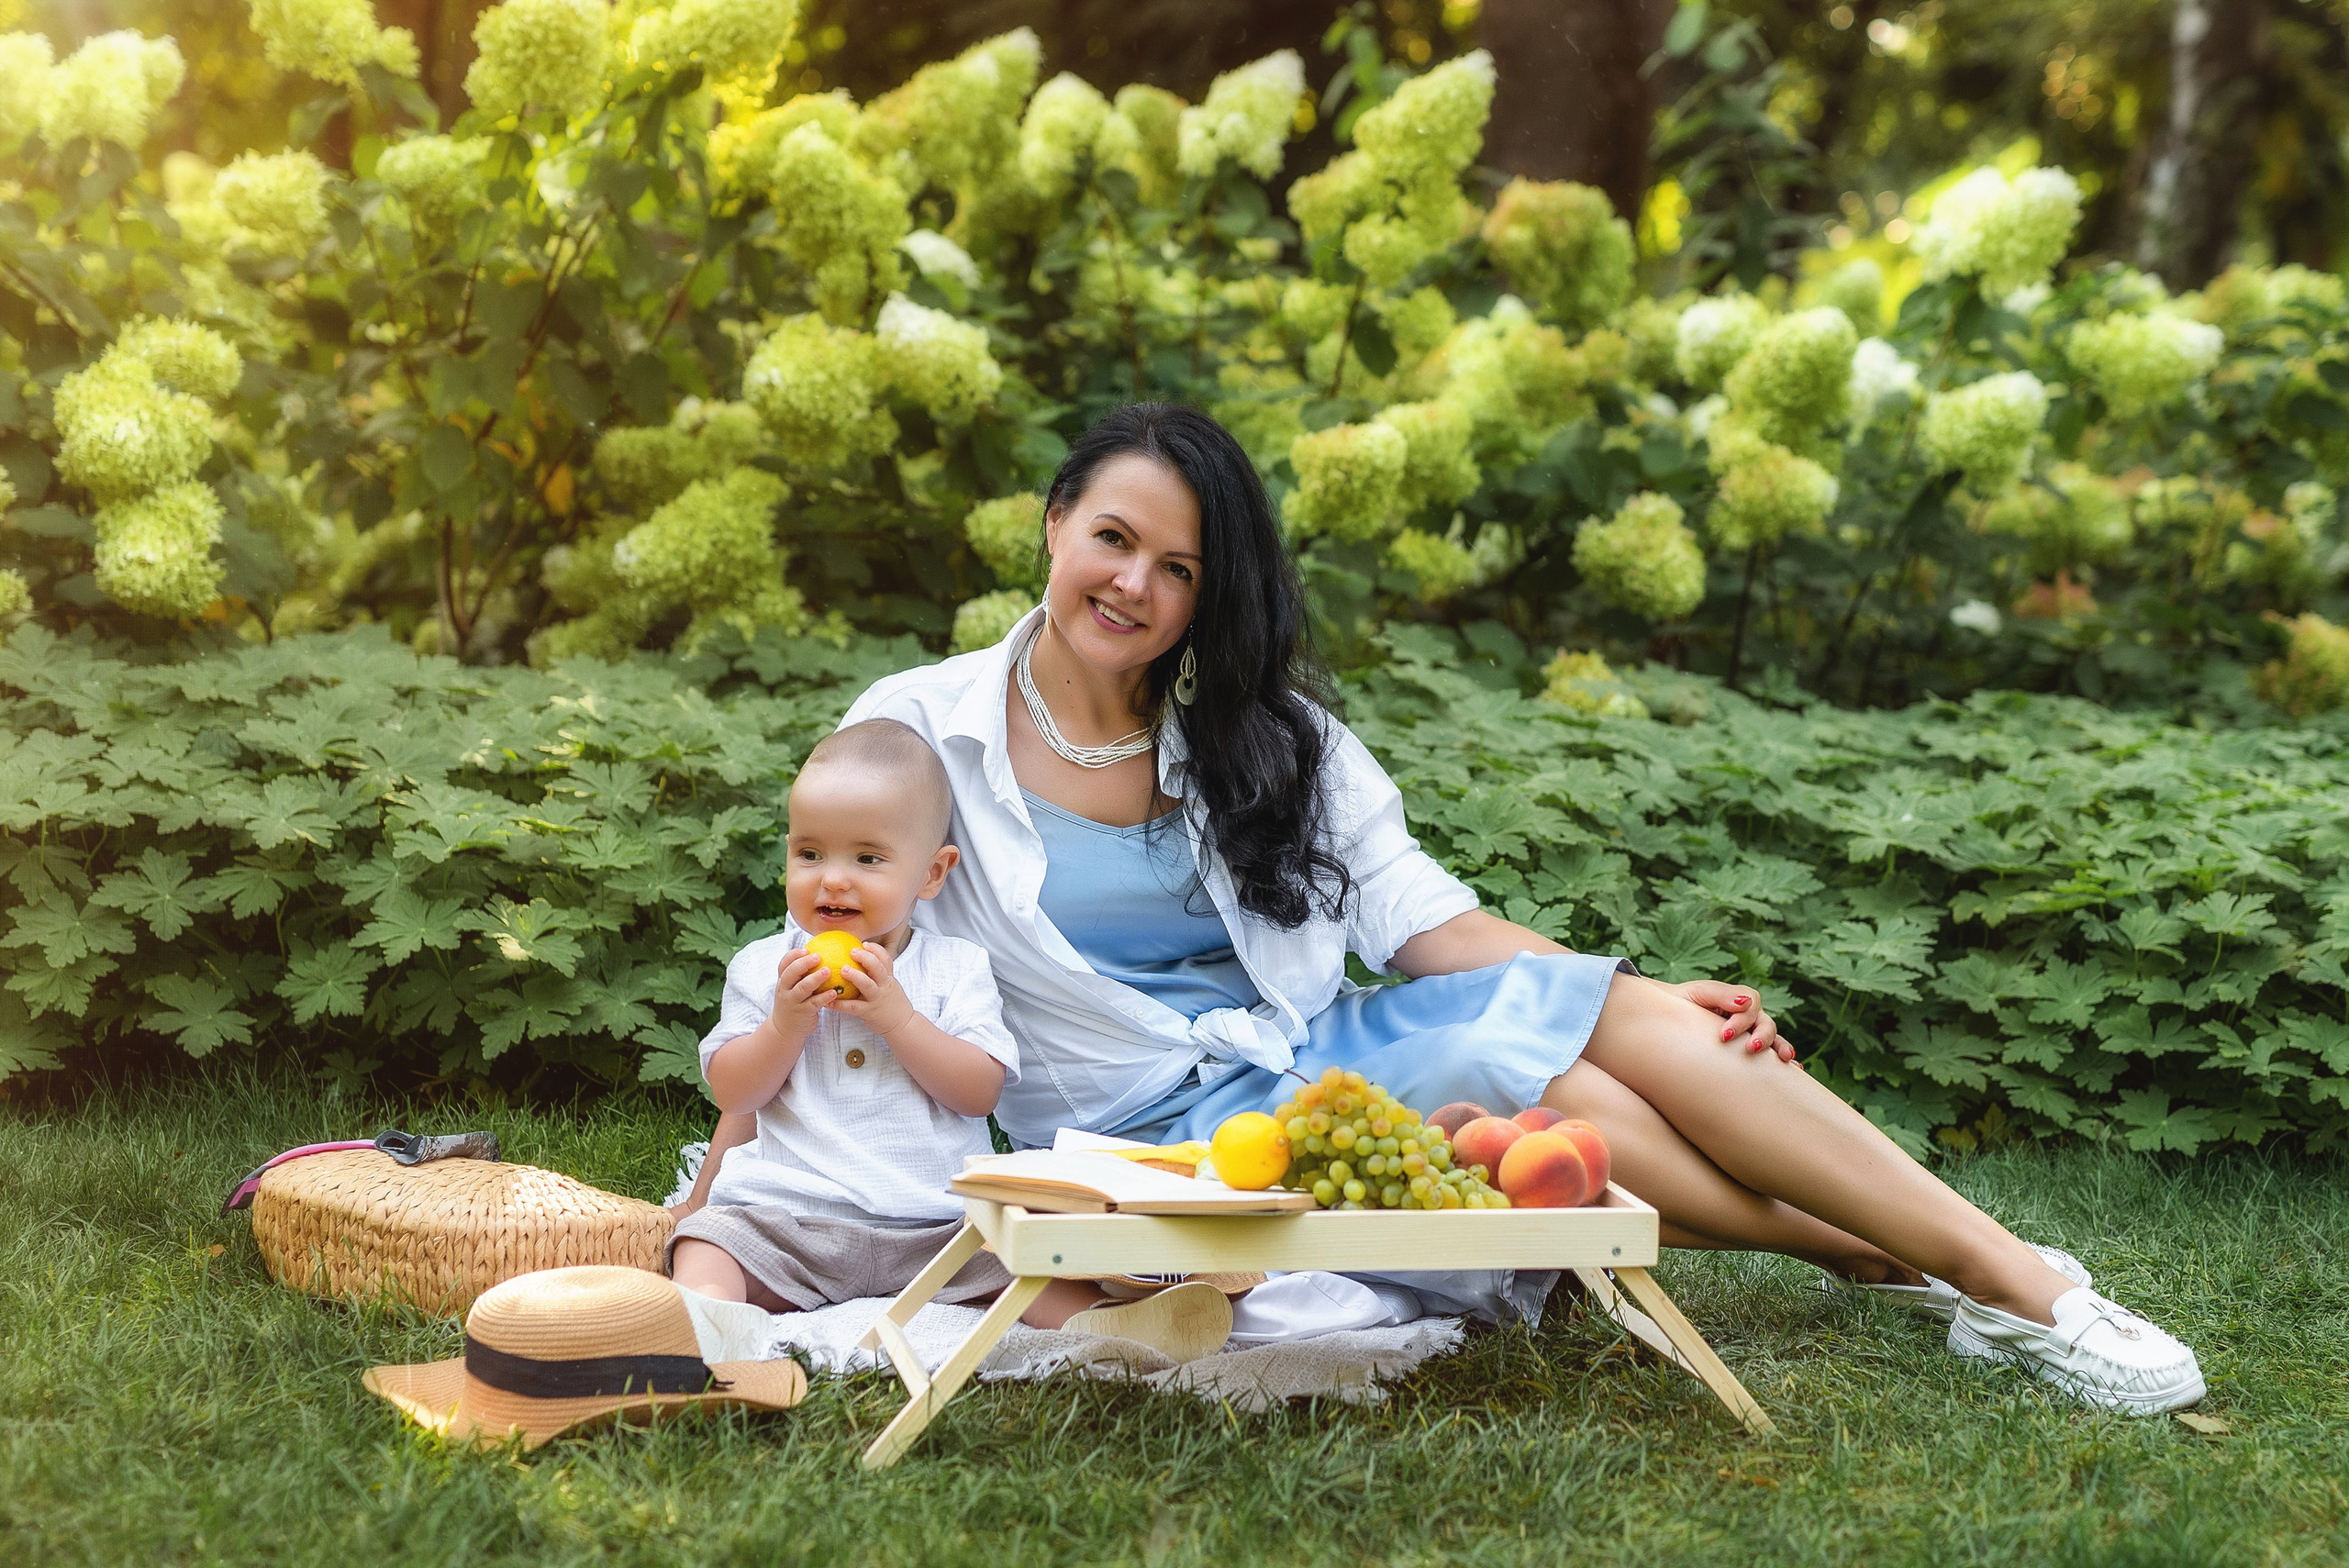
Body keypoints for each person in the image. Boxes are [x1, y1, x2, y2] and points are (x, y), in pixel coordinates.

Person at [816, 401, 2205, 1415]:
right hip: (1143, 1135)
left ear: (1208, 591)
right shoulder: (921, 730)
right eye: (1113, 540)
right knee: (1524, 1070)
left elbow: (1435, 925)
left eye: (1179, 568)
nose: (1136, 584)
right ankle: (1920, 1259)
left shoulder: (1268, 735)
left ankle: (2016, 1288)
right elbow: (858, 952)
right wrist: (773, 1160)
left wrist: (1644, 992)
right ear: (1054, 525)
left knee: (1584, 1034)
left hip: (1320, 1058)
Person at [667, 717, 1236, 1360]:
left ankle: (1116, 1327)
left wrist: (899, 1020)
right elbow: (735, 1091)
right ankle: (709, 1334)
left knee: (1022, 1258)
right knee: (707, 1245)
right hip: (789, 1224)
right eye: (809, 853)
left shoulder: (954, 969)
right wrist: (783, 1025)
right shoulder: (766, 969)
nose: (832, 878)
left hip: (936, 1228)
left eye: (868, 858)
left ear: (932, 874)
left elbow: (980, 1091)